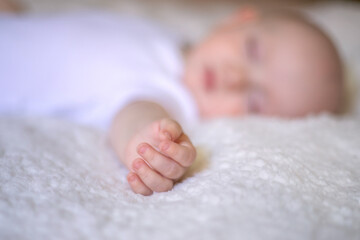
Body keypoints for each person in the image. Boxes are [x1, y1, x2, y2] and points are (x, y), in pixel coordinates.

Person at [0, 2, 343, 195]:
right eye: (251, 50)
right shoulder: (172, 39)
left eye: (255, 101)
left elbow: (133, 114)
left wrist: (149, 143)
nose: (235, 78)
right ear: (238, 19)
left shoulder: (171, 100)